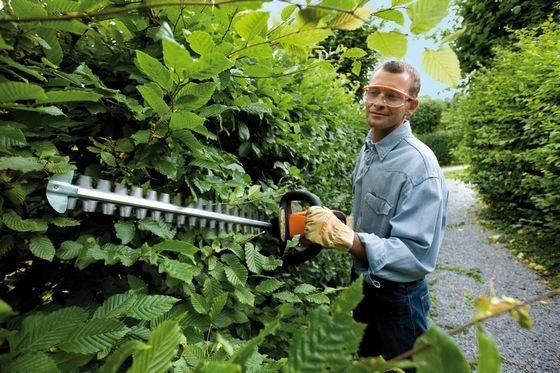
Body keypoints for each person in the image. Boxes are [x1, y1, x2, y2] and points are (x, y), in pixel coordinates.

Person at [304, 60, 449, 360]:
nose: (379, 103)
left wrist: (351, 240)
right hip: (362, 285)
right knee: (364, 364)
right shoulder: (370, 147)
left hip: (399, 300)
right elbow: (374, 217)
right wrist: (340, 223)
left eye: (392, 96)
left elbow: (414, 255)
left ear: (411, 105)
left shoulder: (420, 167)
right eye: (373, 92)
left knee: (407, 368)